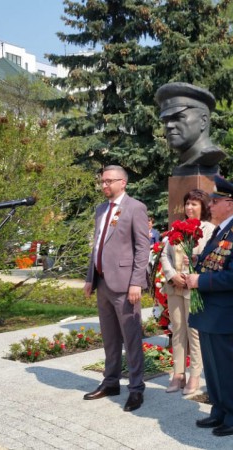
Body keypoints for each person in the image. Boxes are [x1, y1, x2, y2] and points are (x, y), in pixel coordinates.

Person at [183, 176, 233, 437]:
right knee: (213, 367)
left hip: (226, 314)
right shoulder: (222, 230)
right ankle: (220, 410)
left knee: (227, 367)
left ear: (229, 203)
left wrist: (200, 280)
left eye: (214, 201)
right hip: (211, 313)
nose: (209, 205)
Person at [83, 165, 151, 412]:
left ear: (123, 183)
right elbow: (97, 245)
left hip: (125, 286)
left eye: (109, 181)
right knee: (110, 339)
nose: (104, 186)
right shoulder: (101, 209)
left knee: (131, 339)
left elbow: (143, 249)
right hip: (103, 283)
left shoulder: (135, 208)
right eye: (102, 181)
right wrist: (90, 277)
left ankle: (136, 389)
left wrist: (136, 282)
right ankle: (110, 382)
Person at [159, 189, 215, 395]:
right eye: (187, 204)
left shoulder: (209, 229)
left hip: (194, 287)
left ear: (203, 207)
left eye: (194, 204)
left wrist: (194, 267)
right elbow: (164, 254)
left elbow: (211, 257)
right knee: (178, 329)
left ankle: (195, 375)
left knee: (194, 332)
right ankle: (178, 373)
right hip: (175, 285)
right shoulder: (177, 227)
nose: (189, 208)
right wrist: (172, 274)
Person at [155, 82, 226, 175]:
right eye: (166, 120)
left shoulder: (208, 158)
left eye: (178, 117)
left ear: (203, 121)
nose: (169, 125)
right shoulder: (185, 164)